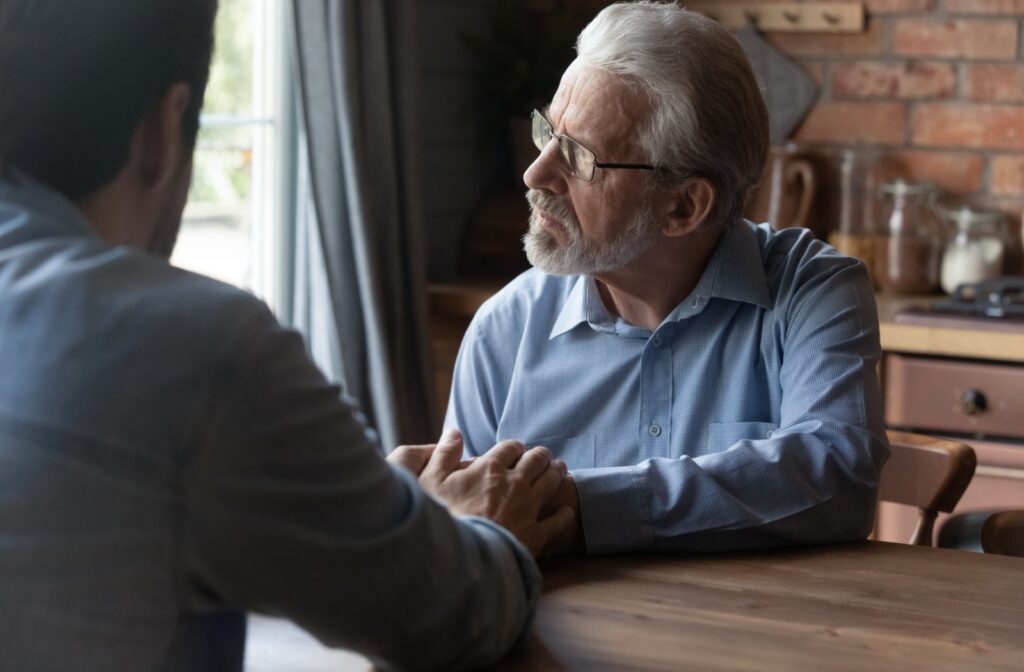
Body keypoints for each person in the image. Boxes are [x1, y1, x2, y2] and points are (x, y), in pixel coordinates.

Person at [0, 1, 574, 670]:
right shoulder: (197, 347)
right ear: (163, 129)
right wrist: (480, 531)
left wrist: (370, 512)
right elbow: (449, 615)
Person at [445, 1, 890, 557]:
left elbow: (839, 478)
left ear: (684, 207)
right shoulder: (504, 332)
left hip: (767, 637)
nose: (536, 172)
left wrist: (583, 506)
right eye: (547, 133)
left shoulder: (812, 291)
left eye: (578, 156)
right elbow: (468, 536)